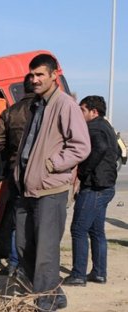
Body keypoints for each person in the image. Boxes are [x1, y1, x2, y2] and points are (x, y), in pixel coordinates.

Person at [14, 54, 90, 312]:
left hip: (50, 190)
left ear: (54, 75)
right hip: (27, 188)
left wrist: (51, 164)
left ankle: (45, 311)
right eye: (32, 75)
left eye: (40, 75)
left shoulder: (65, 105)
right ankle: (54, 294)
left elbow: (81, 146)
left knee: (45, 254)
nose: (34, 79)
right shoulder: (38, 105)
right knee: (24, 248)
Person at [63, 95, 118, 287]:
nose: (79, 113)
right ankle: (99, 273)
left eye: (82, 110)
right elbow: (115, 151)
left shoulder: (93, 127)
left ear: (94, 112)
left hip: (95, 187)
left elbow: (101, 148)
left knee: (78, 229)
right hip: (106, 186)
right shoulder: (106, 126)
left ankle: (78, 275)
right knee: (96, 231)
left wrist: (84, 172)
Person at [0, 73, 34, 276]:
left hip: (17, 172)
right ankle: (32, 266)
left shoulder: (11, 112)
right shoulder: (49, 110)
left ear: (22, 89)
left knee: (18, 220)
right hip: (46, 176)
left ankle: (15, 263)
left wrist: (10, 151)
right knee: (41, 222)